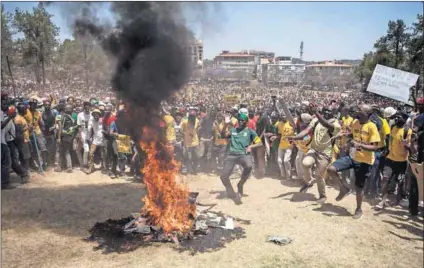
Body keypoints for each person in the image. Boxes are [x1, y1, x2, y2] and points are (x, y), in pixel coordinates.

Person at [327, 104, 381, 219]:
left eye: (360, 110)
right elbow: (352, 134)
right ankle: (344, 188)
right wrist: (344, 135)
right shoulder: (355, 122)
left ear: (367, 114)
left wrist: (359, 144)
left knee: (358, 187)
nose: (357, 111)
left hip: (365, 162)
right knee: (331, 169)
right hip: (353, 157)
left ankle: (358, 209)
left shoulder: (372, 127)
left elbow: (375, 147)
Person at [289, 105, 341, 204]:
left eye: (328, 111)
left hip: (325, 153)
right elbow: (306, 131)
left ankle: (322, 196)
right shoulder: (315, 121)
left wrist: (316, 113)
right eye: (324, 111)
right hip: (313, 149)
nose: (326, 113)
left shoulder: (336, 125)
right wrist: (295, 137)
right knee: (305, 163)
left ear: (333, 113)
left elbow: (326, 124)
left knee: (319, 175)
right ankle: (309, 182)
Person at [219, 113, 263, 205]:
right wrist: (226, 124)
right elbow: (223, 135)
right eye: (239, 120)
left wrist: (251, 146)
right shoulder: (233, 130)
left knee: (249, 166)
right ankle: (231, 192)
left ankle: (241, 183)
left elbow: (260, 143)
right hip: (232, 155)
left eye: (243, 120)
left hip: (243, 154)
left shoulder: (250, 131)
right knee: (223, 176)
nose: (241, 122)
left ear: (246, 122)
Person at [376, 112, 412, 209]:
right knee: (385, 179)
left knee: (399, 182)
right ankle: (383, 200)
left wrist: (407, 145)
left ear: (404, 119)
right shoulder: (392, 127)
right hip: (390, 158)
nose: (396, 119)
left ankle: (397, 201)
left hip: (402, 161)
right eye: (395, 117)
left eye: (398, 118)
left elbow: (411, 147)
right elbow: (390, 140)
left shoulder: (407, 131)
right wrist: (387, 150)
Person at [85, 109, 106, 174]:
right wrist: (87, 127)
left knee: (103, 154)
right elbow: (89, 128)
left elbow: (107, 127)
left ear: (99, 115)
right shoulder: (92, 121)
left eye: (97, 114)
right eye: (94, 114)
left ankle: (104, 167)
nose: (96, 115)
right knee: (90, 153)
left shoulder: (102, 120)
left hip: (103, 139)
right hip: (95, 140)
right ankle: (91, 167)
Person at [57, 104, 77, 172]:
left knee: (62, 151)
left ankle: (65, 167)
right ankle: (67, 166)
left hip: (64, 136)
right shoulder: (71, 118)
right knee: (66, 151)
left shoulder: (63, 117)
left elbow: (60, 128)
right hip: (69, 136)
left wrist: (59, 137)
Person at [181, 107, 200, 175]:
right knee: (188, 157)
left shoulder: (197, 121)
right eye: (191, 116)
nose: (192, 118)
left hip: (195, 142)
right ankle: (186, 169)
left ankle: (194, 169)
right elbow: (182, 130)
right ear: (189, 116)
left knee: (197, 156)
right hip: (187, 143)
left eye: (193, 116)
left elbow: (197, 128)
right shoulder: (184, 122)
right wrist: (187, 134)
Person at [276, 112, 294, 179]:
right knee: (279, 161)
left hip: (289, 145)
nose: (283, 116)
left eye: (284, 115)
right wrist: (275, 137)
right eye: (282, 115)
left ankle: (289, 176)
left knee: (286, 160)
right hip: (281, 145)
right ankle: (283, 175)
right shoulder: (279, 124)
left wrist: (293, 143)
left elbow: (295, 134)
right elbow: (280, 134)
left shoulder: (291, 123)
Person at [42, 100, 58, 169]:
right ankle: (46, 163)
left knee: (52, 149)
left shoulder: (54, 112)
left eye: (48, 105)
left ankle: (51, 163)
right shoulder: (42, 113)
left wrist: (54, 126)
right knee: (45, 149)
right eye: (46, 105)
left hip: (52, 133)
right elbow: (40, 122)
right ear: (44, 105)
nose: (47, 106)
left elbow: (57, 122)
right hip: (44, 133)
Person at [76, 101, 91, 168]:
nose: (87, 109)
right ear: (84, 107)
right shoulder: (80, 115)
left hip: (90, 134)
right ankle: (83, 164)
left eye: (88, 107)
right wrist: (80, 135)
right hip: (82, 133)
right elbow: (79, 126)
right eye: (85, 107)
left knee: (87, 150)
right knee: (85, 150)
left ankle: (84, 163)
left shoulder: (92, 115)